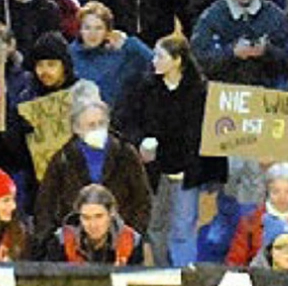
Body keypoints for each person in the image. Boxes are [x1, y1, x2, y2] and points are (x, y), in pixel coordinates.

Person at [116, 35, 225, 267]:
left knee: (183, 228)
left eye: (160, 56)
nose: (154, 61)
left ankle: (182, 273)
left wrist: (212, 173)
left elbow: (213, 133)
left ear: (177, 60)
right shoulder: (141, 88)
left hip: (187, 170)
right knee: (156, 225)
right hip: (154, 171)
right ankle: (161, 269)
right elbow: (125, 121)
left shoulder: (201, 92)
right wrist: (139, 143)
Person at [35, 90, 151, 244]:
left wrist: (133, 234)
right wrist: (55, 239)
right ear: (76, 128)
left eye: (101, 123)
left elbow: (142, 198)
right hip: (75, 242)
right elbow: (46, 202)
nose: (97, 129)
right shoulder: (63, 158)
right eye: (91, 125)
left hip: (119, 239)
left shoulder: (125, 153)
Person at [189, 0, 288, 88]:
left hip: (264, 88)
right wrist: (232, 53)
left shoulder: (274, 15)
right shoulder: (212, 17)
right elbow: (199, 58)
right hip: (224, 89)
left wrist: (267, 50)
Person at [40, 183, 152, 266]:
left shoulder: (131, 241)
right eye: (86, 217)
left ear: (111, 213)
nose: (93, 225)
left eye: (99, 216)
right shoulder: (62, 241)